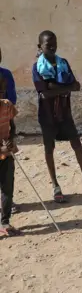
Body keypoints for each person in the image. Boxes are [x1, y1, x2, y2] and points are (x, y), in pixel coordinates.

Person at [32, 31, 82, 203]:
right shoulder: (37, 67)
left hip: (65, 114)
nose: (51, 46)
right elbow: (44, 93)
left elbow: (76, 86)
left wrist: (54, 87)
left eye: (54, 43)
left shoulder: (63, 63)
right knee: (49, 148)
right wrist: (65, 88)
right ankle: (55, 186)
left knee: (77, 144)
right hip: (47, 116)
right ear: (40, 46)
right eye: (47, 44)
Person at [0, 47, 19, 214]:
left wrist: (11, 138)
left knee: (7, 178)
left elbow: (11, 100)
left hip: (5, 133)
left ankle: (6, 209)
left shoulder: (5, 75)